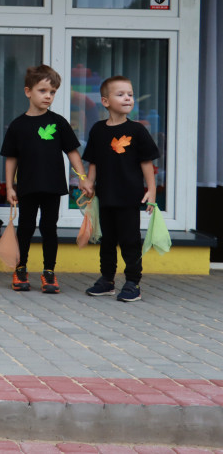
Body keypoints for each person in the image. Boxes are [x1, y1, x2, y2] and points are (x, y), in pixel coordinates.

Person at [1, 65, 86, 294]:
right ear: (28, 91)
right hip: (27, 187)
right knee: (25, 229)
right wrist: (9, 187)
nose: (48, 96)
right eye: (43, 90)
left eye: (52, 92)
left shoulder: (58, 122)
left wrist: (83, 178)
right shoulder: (18, 125)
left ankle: (49, 272)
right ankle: (21, 269)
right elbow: (11, 159)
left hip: (52, 187)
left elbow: (72, 152)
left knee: (49, 229)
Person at [79, 75, 159, 302]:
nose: (127, 98)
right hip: (106, 196)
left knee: (130, 240)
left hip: (129, 196)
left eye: (130, 95)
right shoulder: (97, 130)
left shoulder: (137, 130)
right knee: (107, 240)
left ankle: (133, 282)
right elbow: (93, 160)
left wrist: (151, 190)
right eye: (121, 94)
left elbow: (146, 162)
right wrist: (89, 182)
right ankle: (107, 280)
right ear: (105, 102)